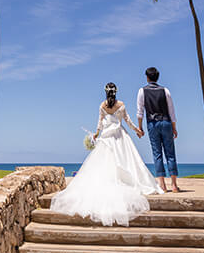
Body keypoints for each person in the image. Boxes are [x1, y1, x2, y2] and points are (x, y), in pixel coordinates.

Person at [50, 82, 161, 226]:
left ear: (105, 92)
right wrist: (137, 130)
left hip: (107, 138)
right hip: (120, 137)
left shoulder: (102, 106)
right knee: (126, 161)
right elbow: (127, 121)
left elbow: (99, 124)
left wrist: (95, 134)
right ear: (116, 92)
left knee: (103, 165)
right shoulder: (121, 104)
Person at [136, 67, 180, 193]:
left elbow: (140, 112)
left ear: (147, 77)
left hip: (152, 124)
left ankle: (162, 185)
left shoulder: (142, 91)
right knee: (170, 153)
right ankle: (174, 185)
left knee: (157, 154)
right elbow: (171, 110)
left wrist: (140, 127)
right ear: (157, 77)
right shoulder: (165, 91)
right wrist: (174, 127)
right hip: (166, 122)